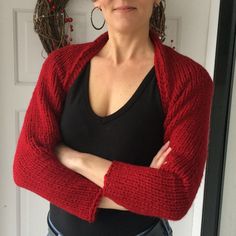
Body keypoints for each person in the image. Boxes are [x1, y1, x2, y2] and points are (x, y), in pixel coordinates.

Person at [12, 0, 214, 235]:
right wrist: (139, 194)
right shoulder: (60, 67)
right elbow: (26, 167)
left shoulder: (188, 80)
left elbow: (175, 195)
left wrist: (75, 159)